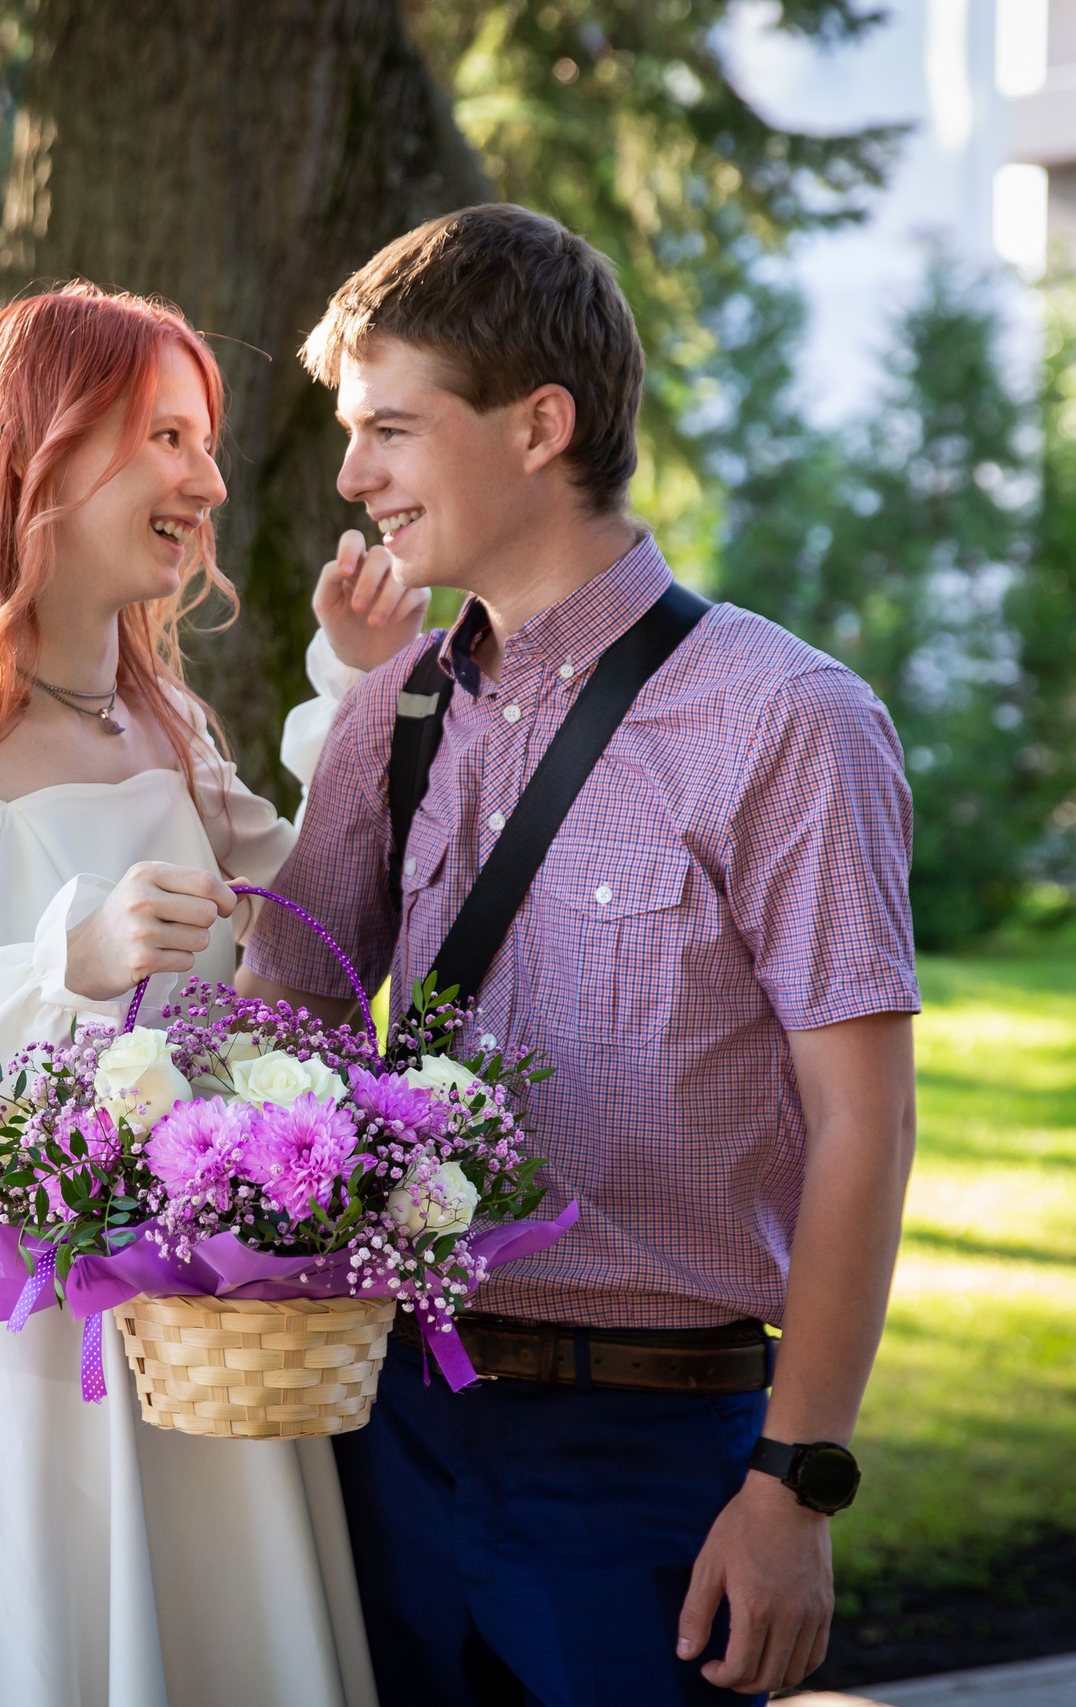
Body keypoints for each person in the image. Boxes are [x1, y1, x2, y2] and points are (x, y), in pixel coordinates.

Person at [237, 205, 924, 1706]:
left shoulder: (787, 719)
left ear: (539, 426)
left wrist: (795, 1484)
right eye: (353, 435)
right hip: (390, 1430)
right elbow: (276, 1025)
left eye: (392, 430)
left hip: (648, 1464)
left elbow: (864, 1125)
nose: (353, 476)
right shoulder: (393, 712)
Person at [0, 283, 426, 1707]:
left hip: (219, 1345)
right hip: (38, 1368)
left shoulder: (171, 724)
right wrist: (60, 969)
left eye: (205, 443)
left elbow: (312, 927)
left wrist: (353, 684)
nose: (208, 483)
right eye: (166, 439)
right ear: (47, 454)